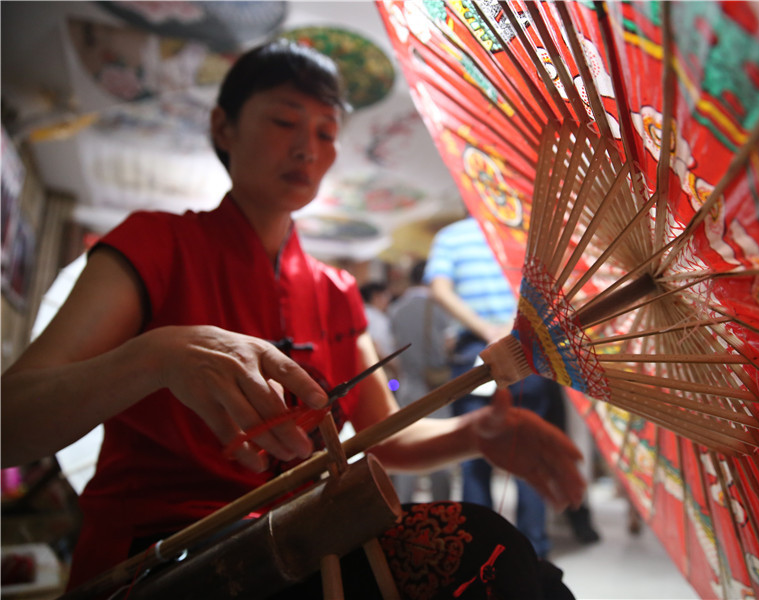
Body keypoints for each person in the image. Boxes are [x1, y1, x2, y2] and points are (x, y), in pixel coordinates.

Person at [0, 41, 586, 598]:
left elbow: (386, 433)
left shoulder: (335, 291)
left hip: (305, 542)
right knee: (483, 553)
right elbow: (11, 420)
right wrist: (157, 355)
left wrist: (475, 433)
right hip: (162, 559)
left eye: (326, 132)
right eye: (285, 121)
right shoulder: (154, 245)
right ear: (223, 127)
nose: (308, 146)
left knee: (532, 576)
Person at [426, 216, 563, 559]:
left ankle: (477, 554)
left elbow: (439, 290)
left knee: (473, 454)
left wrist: (485, 329)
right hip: (525, 348)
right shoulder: (526, 232)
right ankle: (534, 556)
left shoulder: (451, 235)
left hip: (476, 349)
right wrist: (512, 326)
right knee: (528, 455)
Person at [387, 260, 454, 503]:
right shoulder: (441, 307)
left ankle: (403, 513)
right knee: (442, 455)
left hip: (408, 388)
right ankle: (443, 512)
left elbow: (390, 351)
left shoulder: (396, 309)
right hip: (437, 389)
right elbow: (448, 344)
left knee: (408, 455)